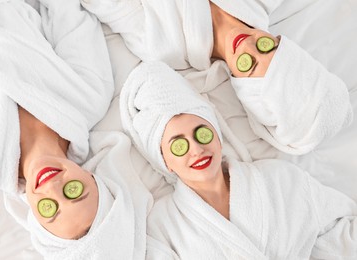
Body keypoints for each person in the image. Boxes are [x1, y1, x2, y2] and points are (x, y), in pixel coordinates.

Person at [0, 1, 150, 259]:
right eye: (73, 192)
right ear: (93, 179)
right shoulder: (89, 96)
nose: (52, 187)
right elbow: (65, 11)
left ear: (34, 218)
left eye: (48, 208)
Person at [120, 61, 357, 259]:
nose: (196, 149)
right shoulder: (162, 227)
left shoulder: (278, 178)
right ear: (165, 162)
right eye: (178, 146)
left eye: (202, 133)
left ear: (218, 136)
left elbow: (340, 234)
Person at [82, 0, 352, 156]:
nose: (247, 45)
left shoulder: (161, 45)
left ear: (248, 89)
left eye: (250, 65)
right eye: (268, 47)